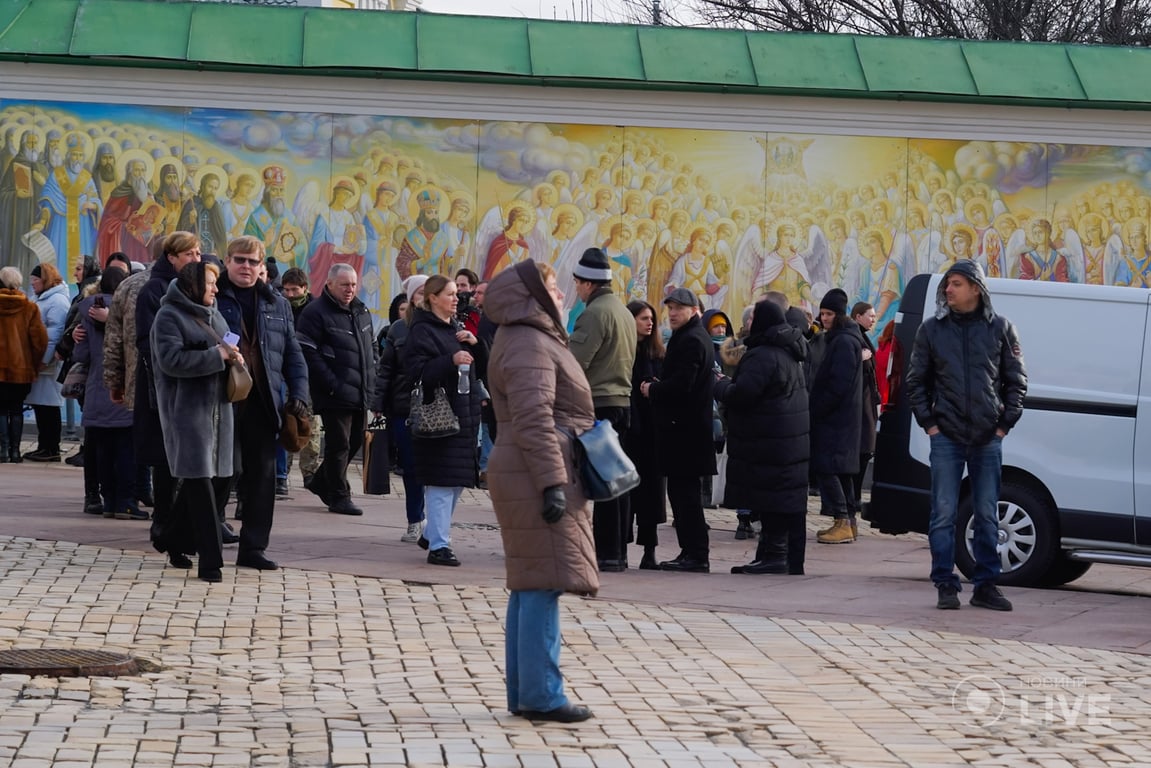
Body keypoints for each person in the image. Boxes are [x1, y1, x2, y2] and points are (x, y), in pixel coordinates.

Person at [485, 259, 596, 724]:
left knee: (532, 582)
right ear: (531, 293)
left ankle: (529, 690)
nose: (561, 294)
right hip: (538, 471)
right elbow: (534, 418)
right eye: (552, 287)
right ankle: (542, 694)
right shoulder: (530, 340)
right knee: (542, 583)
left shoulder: (525, 335)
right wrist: (553, 482)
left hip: (527, 466)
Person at [905, 259, 1027, 611]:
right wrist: (930, 424)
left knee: (988, 513)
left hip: (988, 437)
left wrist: (1005, 424)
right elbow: (916, 382)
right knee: (943, 512)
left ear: (976, 287)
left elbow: (1016, 381)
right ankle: (945, 583)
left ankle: (986, 585)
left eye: (956, 283)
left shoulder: (1001, 328)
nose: (948, 289)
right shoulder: (932, 329)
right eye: (947, 284)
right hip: (946, 436)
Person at [214, 236, 311, 571]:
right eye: (240, 260)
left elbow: (293, 355)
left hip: (262, 400)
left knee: (261, 478)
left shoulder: (276, 303)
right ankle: (206, 536)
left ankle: (253, 547)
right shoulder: (214, 297)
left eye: (253, 262)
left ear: (262, 268)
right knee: (223, 472)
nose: (246, 267)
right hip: (222, 399)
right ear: (227, 261)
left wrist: (299, 394)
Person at [150, 262, 236, 582]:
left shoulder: (214, 313)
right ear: (192, 285)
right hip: (186, 414)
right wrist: (218, 356)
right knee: (199, 487)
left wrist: (233, 354)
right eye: (210, 283)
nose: (215, 289)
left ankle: (170, 537)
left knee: (219, 480)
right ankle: (211, 562)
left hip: (219, 414)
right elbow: (171, 361)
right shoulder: (168, 316)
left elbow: (228, 340)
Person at [715, 300, 810, 575]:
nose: (750, 322)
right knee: (779, 499)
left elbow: (743, 394)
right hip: (786, 440)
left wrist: (719, 385)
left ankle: (775, 555)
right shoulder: (789, 351)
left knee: (772, 499)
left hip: (770, 440)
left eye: (754, 317)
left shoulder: (763, 355)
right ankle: (770, 553)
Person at [404, 274, 484, 567]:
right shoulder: (422, 331)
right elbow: (415, 372)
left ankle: (434, 532)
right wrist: (449, 361)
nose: (455, 299)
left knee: (458, 481)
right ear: (432, 298)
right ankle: (439, 545)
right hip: (437, 416)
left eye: (456, 294)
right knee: (440, 481)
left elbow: (481, 366)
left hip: (464, 413)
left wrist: (475, 344)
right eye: (449, 294)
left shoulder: (457, 328)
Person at [568, 248, 637, 572]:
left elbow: (574, 363)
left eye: (577, 283)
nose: (576, 289)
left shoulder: (594, 313)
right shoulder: (621, 310)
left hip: (599, 404)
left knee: (602, 482)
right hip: (621, 401)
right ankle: (617, 551)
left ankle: (607, 553)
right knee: (616, 481)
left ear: (587, 283)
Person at [640, 288, 716, 572]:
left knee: (686, 497)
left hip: (686, 433)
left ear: (693, 310)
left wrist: (653, 388)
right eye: (670, 308)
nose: (672, 313)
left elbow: (683, 384)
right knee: (684, 494)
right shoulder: (691, 336)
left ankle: (695, 554)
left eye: (678, 308)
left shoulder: (692, 340)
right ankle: (691, 552)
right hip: (686, 431)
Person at [297, 263, 377, 516]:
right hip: (334, 392)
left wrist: (372, 379)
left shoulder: (361, 310)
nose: (350, 289)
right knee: (339, 445)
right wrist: (332, 383)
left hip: (360, 390)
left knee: (354, 442)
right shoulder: (315, 312)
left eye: (353, 284)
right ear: (329, 284)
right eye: (344, 284)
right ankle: (339, 496)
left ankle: (321, 482)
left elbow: (372, 347)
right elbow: (309, 352)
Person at [71, 267, 138, 519]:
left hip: (96, 391)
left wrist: (81, 338)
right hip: (123, 388)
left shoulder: (86, 313)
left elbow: (81, 355)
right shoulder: (127, 311)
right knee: (125, 449)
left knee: (102, 450)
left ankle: (107, 500)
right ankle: (125, 501)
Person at [372, 275, 427, 543]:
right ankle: (415, 520)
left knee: (438, 469)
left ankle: (435, 521)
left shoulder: (450, 325)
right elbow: (386, 370)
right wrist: (378, 404)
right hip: (404, 408)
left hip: (439, 407)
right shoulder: (397, 329)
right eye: (421, 292)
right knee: (412, 467)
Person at [810, 290, 864, 545]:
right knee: (842, 470)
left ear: (839, 315)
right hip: (843, 418)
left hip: (835, 419)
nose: (824, 318)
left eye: (829, 313)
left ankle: (842, 520)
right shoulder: (847, 338)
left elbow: (838, 384)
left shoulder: (843, 342)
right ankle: (849, 522)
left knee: (827, 467)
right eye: (822, 313)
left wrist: (819, 407)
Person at [625, 300, 666, 570]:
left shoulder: (658, 355)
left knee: (651, 493)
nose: (649, 323)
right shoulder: (623, 353)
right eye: (642, 318)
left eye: (651, 318)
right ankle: (619, 546)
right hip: (629, 430)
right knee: (625, 491)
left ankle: (649, 551)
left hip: (652, 432)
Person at [23, 263, 71, 462]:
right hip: (41, 361)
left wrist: (43, 360)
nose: (32, 283)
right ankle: (44, 446)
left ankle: (51, 448)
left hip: (47, 364)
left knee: (49, 406)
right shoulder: (41, 298)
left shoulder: (57, 301)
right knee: (41, 406)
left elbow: (54, 335)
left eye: (36, 280)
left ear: (45, 280)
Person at [0, 266, 48, 463]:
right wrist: (33, 363)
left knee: (1, 409)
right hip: (21, 370)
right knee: (17, 409)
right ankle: (15, 451)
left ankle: (2, 451)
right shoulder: (30, 307)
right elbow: (40, 341)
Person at [277, 267, 318, 494]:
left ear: (305, 288)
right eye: (286, 290)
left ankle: (309, 472)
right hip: (284, 373)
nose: (290, 294)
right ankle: (283, 473)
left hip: (309, 375)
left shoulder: (314, 311)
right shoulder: (280, 307)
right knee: (287, 421)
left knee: (309, 424)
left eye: (294, 290)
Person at [851, 301, 881, 515]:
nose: (873, 319)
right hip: (860, 405)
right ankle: (853, 498)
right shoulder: (855, 339)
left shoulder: (863, 338)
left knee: (865, 450)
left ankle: (855, 496)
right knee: (861, 451)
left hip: (867, 403)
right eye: (870, 315)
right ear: (858, 316)